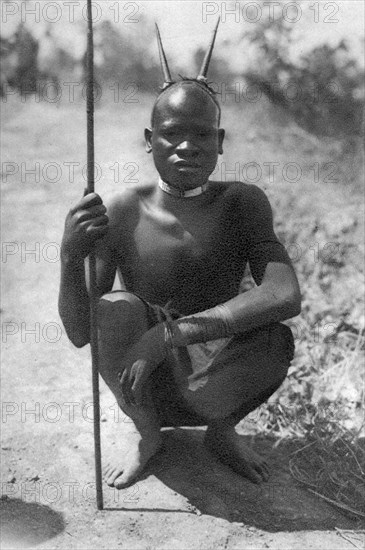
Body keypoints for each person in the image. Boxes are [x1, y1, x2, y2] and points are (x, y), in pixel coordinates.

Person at [58, 23, 301, 490]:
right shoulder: (124, 209)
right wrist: (70, 258)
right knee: (114, 308)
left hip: (216, 380)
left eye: (201, 134)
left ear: (220, 140)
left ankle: (222, 432)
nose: (187, 145)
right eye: (172, 135)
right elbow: (78, 332)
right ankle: (148, 436)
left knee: (275, 339)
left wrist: (168, 337)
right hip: (142, 381)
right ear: (150, 139)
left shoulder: (243, 202)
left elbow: (284, 292)